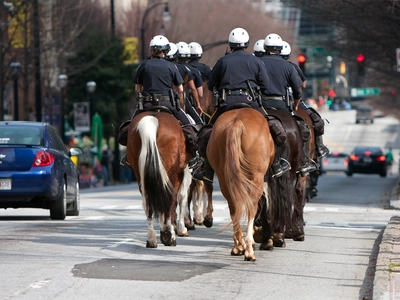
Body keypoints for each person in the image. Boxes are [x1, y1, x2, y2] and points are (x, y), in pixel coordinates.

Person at [193, 27, 290, 182]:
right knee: (274, 127)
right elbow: (265, 85)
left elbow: (211, 85)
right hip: (250, 102)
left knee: (206, 132)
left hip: (226, 104)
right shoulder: (255, 61)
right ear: (246, 45)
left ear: (230, 45)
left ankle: (206, 169)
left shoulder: (221, 61)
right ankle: (276, 163)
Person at [119, 35, 202, 169]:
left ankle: (127, 156)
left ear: (152, 50)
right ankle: (196, 154)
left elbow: (137, 89)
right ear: (166, 50)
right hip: (167, 104)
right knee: (189, 125)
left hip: (146, 105)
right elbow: (180, 89)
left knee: (129, 128)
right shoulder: (171, 66)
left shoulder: (143, 65)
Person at [259, 33, 316, 176]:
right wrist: (296, 105)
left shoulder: (257, 62)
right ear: (280, 49)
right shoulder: (288, 66)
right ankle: (303, 163)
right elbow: (298, 90)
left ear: (265, 48)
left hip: (260, 105)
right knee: (302, 129)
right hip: (281, 105)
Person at [280, 40, 330, 159]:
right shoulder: (292, 66)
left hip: (270, 100)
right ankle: (319, 147)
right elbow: (302, 85)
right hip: (292, 100)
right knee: (316, 119)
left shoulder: (263, 64)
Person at [175, 41, 204, 125]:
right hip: (181, 101)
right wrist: (198, 104)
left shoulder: (168, 67)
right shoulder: (190, 70)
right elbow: (199, 92)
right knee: (199, 124)